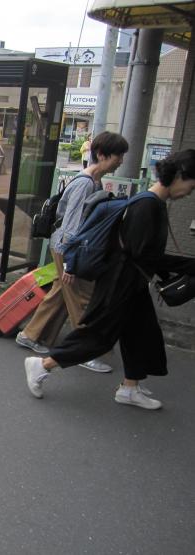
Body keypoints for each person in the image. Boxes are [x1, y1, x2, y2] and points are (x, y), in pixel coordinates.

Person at [24, 149, 195, 409]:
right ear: (180, 175)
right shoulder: (147, 205)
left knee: (141, 334)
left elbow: (146, 255)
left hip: (131, 283)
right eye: (192, 185)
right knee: (98, 336)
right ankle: (42, 365)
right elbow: (143, 254)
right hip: (119, 283)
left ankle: (130, 387)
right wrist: (188, 266)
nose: (190, 192)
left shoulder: (152, 203)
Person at [16, 131, 130, 374]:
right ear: (102, 154)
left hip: (67, 248)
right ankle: (84, 352)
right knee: (83, 301)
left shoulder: (92, 181)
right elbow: (71, 226)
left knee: (60, 293)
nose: (120, 160)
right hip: (68, 250)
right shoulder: (85, 184)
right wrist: (70, 264)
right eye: (118, 155)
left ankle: (29, 335)